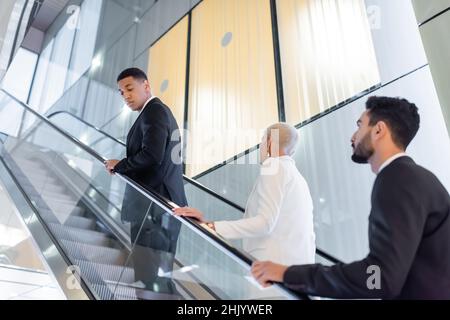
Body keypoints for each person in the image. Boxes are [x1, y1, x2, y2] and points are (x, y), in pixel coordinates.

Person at [251, 96, 450, 299]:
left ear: (378, 130)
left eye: (359, 125)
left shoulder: (396, 179)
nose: (353, 136)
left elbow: (380, 277)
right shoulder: (418, 179)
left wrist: (287, 273)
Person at [174, 123, 316, 266]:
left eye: (262, 139)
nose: (260, 145)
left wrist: (212, 226)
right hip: (294, 268)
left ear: (270, 142)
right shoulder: (298, 178)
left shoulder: (274, 166)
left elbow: (265, 223)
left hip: (270, 267)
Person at [104, 68, 187, 295]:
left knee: (149, 278)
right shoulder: (157, 113)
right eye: (121, 92)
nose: (126, 96)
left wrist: (120, 165)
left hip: (154, 210)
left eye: (130, 89)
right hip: (160, 208)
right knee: (156, 278)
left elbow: (152, 155)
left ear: (146, 86)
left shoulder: (154, 111)